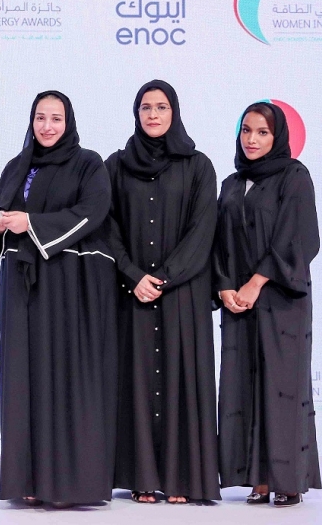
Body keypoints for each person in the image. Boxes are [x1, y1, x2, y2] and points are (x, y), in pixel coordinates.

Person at [0, 90, 116, 508]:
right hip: (20, 284)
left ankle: (67, 484)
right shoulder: (16, 165)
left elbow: (93, 211)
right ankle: (28, 480)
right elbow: (3, 211)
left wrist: (31, 224)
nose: (47, 126)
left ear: (68, 122)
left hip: (67, 284)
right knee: (23, 376)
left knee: (64, 375)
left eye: (56, 118)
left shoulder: (88, 163)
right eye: (40, 118)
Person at [105, 80, 219, 504]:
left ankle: (182, 479)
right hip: (131, 293)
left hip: (182, 295)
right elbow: (106, 228)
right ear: (136, 113)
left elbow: (202, 231)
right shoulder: (115, 166)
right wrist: (133, 275)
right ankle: (141, 477)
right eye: (146, 107)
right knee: (134, 382)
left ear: (175, 112)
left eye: (162, 107)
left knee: (181, 380)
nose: (153, 115)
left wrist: (164, 278)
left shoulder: (198, 166)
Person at [214, 102, 320, 507]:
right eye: (246, 131)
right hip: (239, 303)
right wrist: (225, 286)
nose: (252, 139)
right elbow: (219, 241)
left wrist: (257, 281)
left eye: (262, 132)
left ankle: (287, 480)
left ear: (277, 137)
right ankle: (257, 479)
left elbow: (299, 236)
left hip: (280, 298)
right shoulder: (231, 183)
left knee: (281, 388)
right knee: (243, 384)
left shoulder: (294, 176)